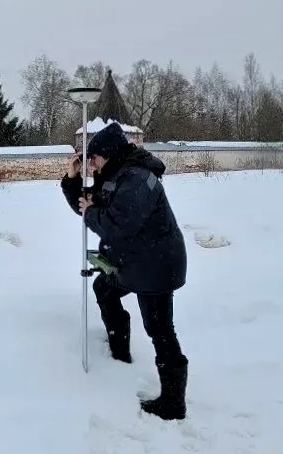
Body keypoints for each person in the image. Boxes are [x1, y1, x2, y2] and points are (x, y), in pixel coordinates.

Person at [61, 121, 189, 420]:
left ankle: (173, 403)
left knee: (160, 329)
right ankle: (119, 354)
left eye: (93, 158)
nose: (91, 164)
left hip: (157, 267)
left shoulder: (136, 178)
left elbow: (117, 224)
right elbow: (86, 206)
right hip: (136, 261)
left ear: (107, 153)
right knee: (104, 288)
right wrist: (72, 179)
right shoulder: (116, 175)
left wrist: (91, 212)